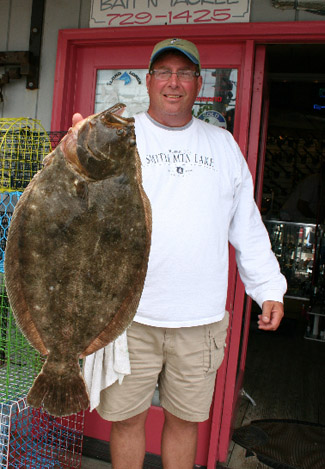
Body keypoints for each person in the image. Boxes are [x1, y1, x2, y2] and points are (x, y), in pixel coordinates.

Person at [74, 38, 286, 469]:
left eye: (185, 73)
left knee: (184, 422)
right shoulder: (118, 136)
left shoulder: (222, 145)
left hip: (200, 319)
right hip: (128, 316)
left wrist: (269, 288)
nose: (174, 82)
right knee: (128, 419)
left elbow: (245, 224)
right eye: (165, 73)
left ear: (199, 82)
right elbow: (79, 207)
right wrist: (76, 152)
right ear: (149, 82)